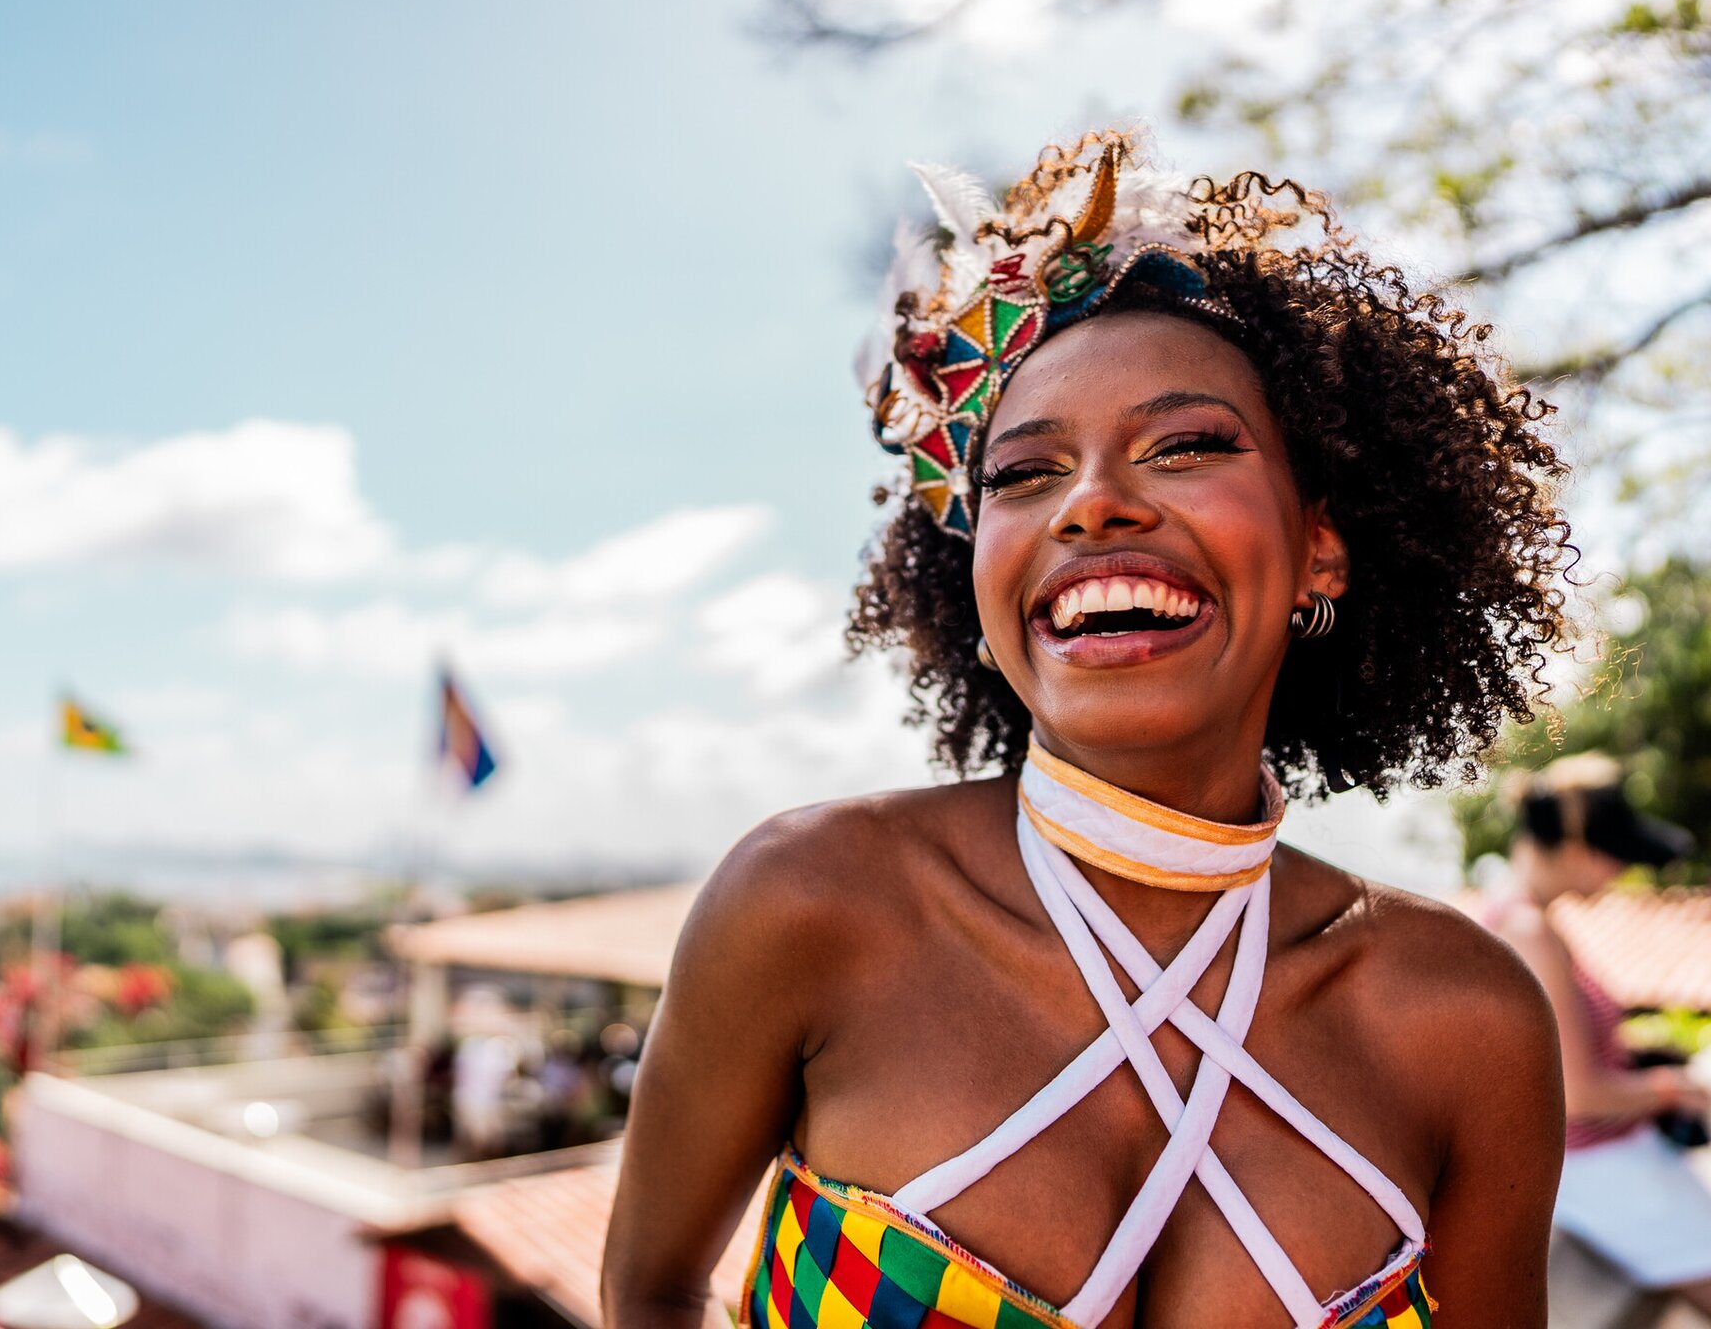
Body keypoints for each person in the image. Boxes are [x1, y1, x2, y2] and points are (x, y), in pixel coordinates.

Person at [601, 130, 1572, 1329]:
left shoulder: (1464, 1019)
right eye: (1021, 473)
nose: (1092, 503)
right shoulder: (811, 902)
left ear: (1320, 544)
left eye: (1185, 445)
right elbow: (646, 1293)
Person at [1479, 754, 1711, 1311]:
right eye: (1617, 856)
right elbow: (1578, 1096)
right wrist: (1678, 1089)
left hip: (1605, 1158)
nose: (1623, 872)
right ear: (1580, 852)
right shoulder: (1528, 931)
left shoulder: (1520, 918)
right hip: (1592, 1164)